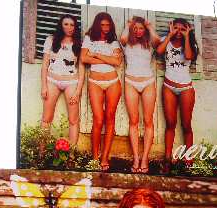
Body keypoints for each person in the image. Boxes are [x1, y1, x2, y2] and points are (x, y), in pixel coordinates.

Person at [156, 18, 200, 174]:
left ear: (187, 30)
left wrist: (187, 36)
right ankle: (167, 160)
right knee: (170, 124)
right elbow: (159, 51)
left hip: (185, 88)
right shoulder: (165, 40)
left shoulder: (191, 44)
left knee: (186, 125)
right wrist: (169, 35)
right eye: (176, 28)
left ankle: (188, 161)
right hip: (168, 86)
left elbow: (188, 56)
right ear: (171, 28)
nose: (179, 31)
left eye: (183, 29)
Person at [81, 12, 123, 171]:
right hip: (95, 82)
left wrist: (97, 54)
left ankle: (105, 157)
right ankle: (94, 158)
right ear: (97, 24)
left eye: (108, 25)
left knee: (109, 118)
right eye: (103, 25)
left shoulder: (114, 42)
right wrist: (107, 58)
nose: (105, 28)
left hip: (113, 82)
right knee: (98, 120)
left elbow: (117, 62)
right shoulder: (88, 38)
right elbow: (84, 59)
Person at [119, 17, 161, 174]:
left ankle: (145, 159)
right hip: (131, 82)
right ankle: (136, 158)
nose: (138, 31)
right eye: (135, 28)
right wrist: (128, 25)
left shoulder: (149, 43)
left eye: (140, 28)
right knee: (134, 121)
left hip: (148, 83)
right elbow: (122, 38)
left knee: (148, 121)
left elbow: (157, 42)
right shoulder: (126, 43)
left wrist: (149, 27)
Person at [41, 14, 85, 147]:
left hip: (71, 83)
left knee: (73, 120)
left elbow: (82, 68)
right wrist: (44, 86)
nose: (69, 27)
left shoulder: (79, 43)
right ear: (61, 25)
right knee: (46, 118)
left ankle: (70, 154)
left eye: (72, 25)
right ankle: (41, 153)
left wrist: (78, 91)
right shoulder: (51, 40)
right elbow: (44, 65)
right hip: (52, 81)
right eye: (66, 24)